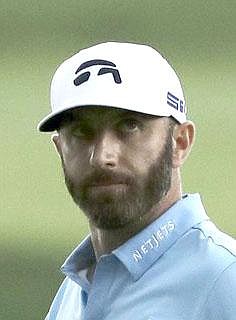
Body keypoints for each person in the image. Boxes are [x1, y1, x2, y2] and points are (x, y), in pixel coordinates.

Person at [38, 42, 236, 320]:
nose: (102, 156)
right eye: (82, 130)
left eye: (129, 125)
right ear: (60, 149)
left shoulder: (225, 279)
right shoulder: (76, 287)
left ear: (179, 142)